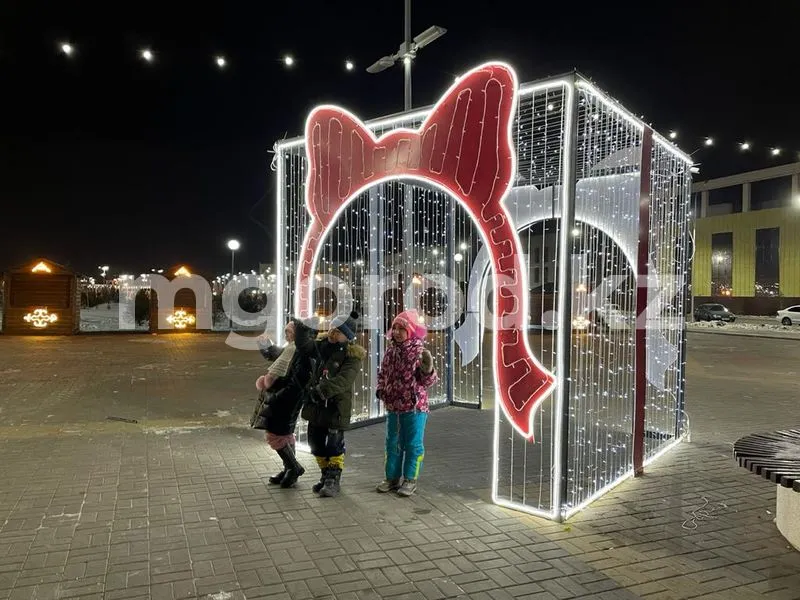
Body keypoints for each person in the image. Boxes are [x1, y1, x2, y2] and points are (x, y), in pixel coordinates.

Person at [293, 311, 365, 497]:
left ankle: (333, 480)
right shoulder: (322, 345)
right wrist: (302, 329)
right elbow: (304, 347)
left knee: (334, 445)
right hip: (316, 406)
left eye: (338, 331)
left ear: (347, 336)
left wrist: (321, 391)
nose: (333, 333)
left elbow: (344, 380)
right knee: (315, 444)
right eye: (332, 329)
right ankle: (325, 475)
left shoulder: (352, 355)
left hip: (335, 407)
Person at [375, 309, 438, 497]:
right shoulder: (390, 351)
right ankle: (391, 478)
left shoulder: (419, 351)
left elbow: (428, 382)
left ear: (410, 330)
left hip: (415, 408)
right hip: (394, 407)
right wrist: (381, 389)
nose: (396, 332)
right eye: (394, 328)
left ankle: (410, 479)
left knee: (412, 444)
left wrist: (428, 369)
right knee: (392, 443)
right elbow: (382, 374)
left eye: (401, 328)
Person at [254, 321, 311, 488]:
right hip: (285, 397)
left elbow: (299, 381)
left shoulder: (301, 352)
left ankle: (294, 467)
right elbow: (276, 355)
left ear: (297, 335)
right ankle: (289, 469)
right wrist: (265, 345)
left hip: (287, 399)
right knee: (284, 433)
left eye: (288, 332)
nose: (286, 336)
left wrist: (280, 395)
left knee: (275, 432)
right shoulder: (292, 348)